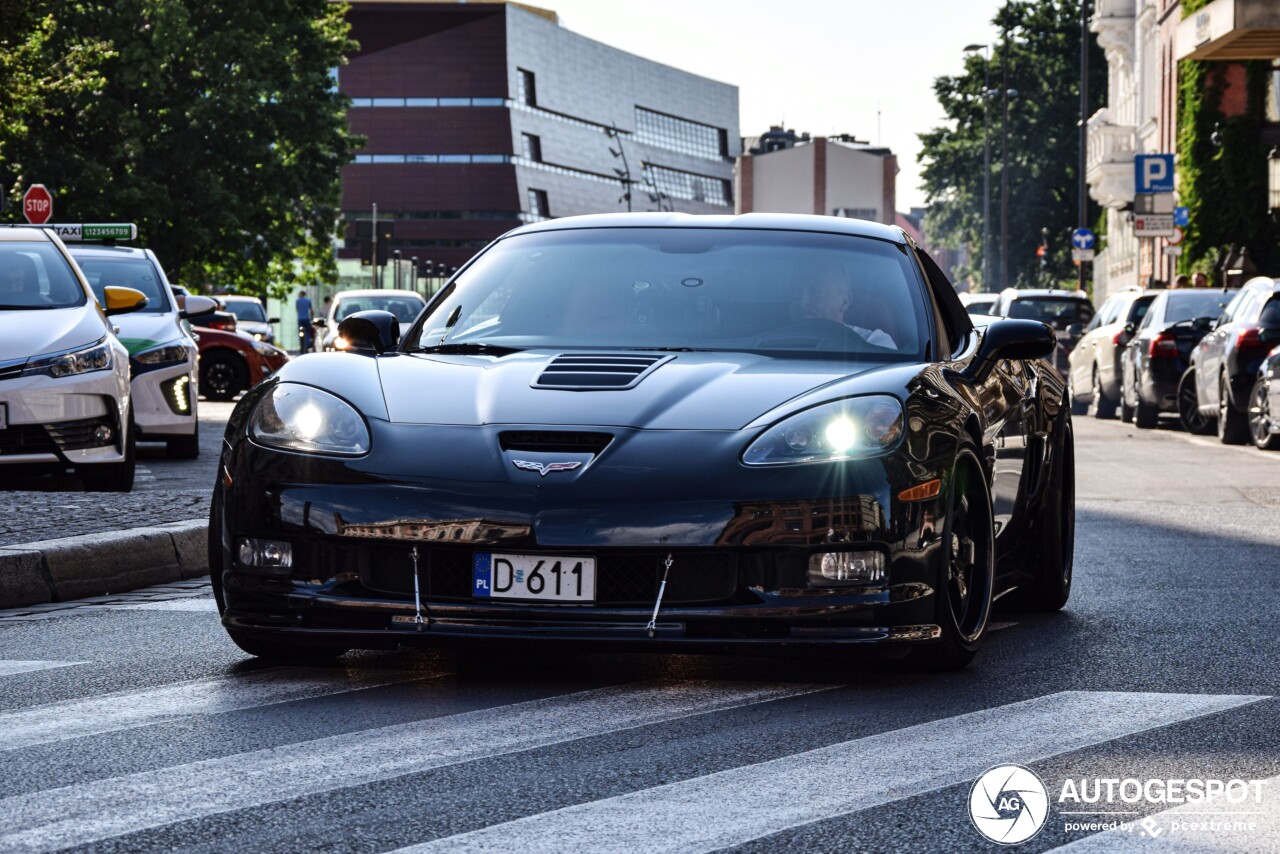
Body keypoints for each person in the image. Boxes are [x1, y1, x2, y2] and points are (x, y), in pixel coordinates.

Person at [794, 265, 896, 349]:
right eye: (796, 292)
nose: (802, 302)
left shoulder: (874, 344)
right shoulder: (778, 342)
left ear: (845, 302)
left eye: (816, 293)